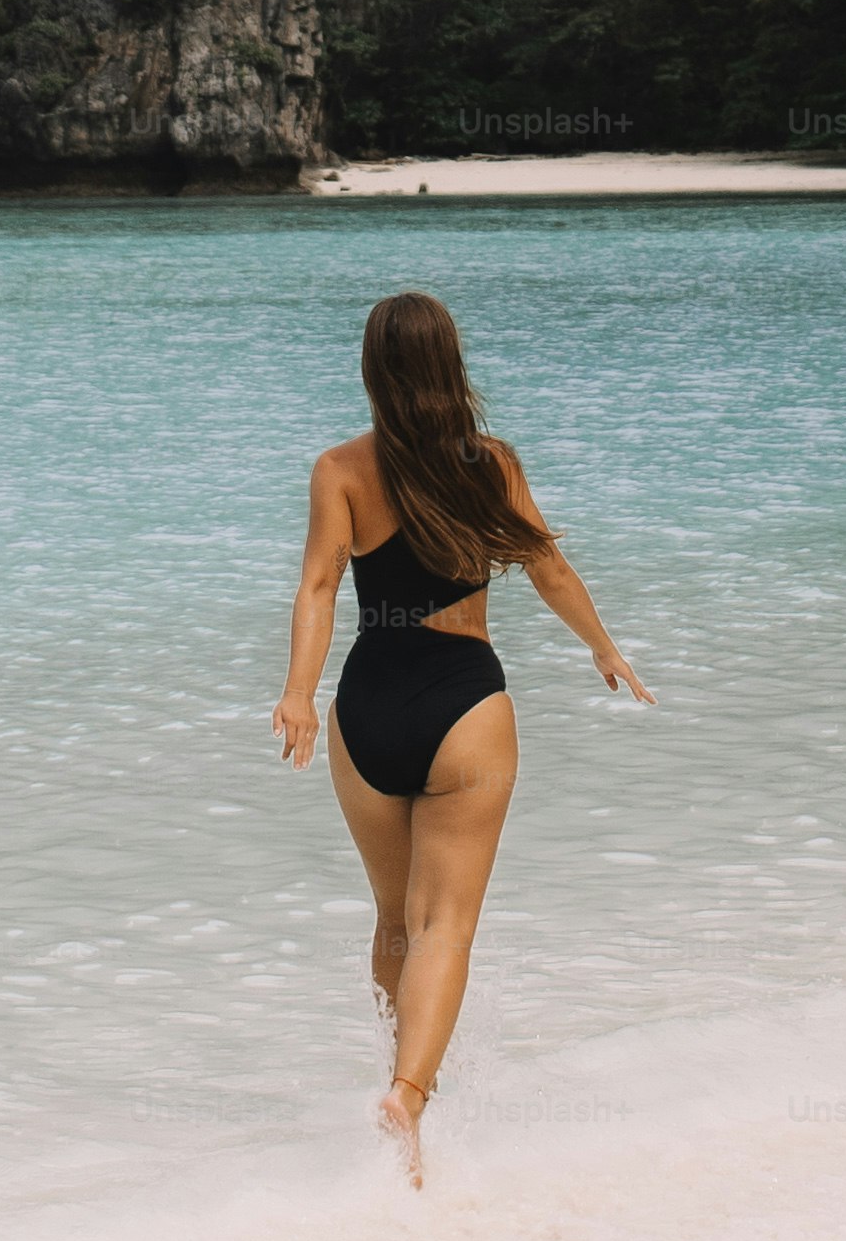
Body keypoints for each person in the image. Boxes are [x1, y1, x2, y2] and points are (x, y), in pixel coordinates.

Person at [271, 291, 653, 1183]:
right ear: (452, 364)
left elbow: (320, 589)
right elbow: (546, 565)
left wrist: (296, 693)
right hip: (462, 703)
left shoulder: (339, 469)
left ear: (371, 368)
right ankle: (408, 1094)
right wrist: (602, 648)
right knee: (444, 924)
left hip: (365, 705)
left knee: (395, 918)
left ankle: (394, 1097)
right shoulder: (489, 464)